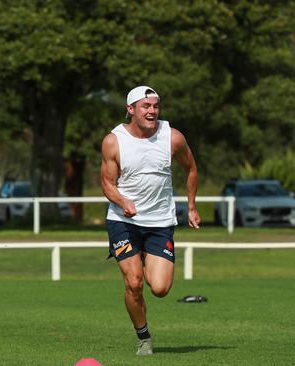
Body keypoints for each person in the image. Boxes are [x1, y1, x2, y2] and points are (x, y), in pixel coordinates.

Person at [100, 85, 200, 356]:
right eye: (146, 106)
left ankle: (145, 257)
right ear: (130, 110)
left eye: (155, 106)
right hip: (123, 221)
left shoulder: (173, 138)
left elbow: (191, 169)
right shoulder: (114, 141)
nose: (152, 111)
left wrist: (191, 206)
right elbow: (107, 184)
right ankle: (143, 337)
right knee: (134, 282)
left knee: (160, 288)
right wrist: (122, 201)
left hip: (159, 222)